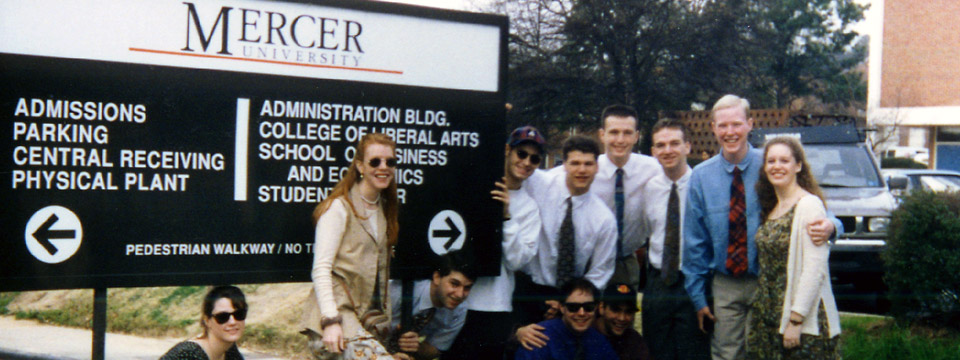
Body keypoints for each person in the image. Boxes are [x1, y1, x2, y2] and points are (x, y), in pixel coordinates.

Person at [682, 95, 842, 360]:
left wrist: (832, 226)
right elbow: (694, 242)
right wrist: (699, 298)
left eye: (736, 124)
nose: (730, 132)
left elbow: (811, 203)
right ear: (713, 128)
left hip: (767, 280)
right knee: (726, 353)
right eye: (722, 126)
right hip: (726, 284)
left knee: (767, 351)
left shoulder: (770, 164)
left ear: (750, 124)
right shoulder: (701, 177)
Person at [446, 126, 544, 360]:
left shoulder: (530, 208)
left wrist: (506, 217)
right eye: (522, 154)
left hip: (495, 307)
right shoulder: (477, 185)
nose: (527, 162)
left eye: (535, 158)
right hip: (459, 300)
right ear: (508, 151)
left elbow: (516, 261)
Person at [301, 133, 401, 359]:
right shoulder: (339, 208)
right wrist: (331, 321)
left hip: (366, 323)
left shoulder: (385, 209)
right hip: (334, 321)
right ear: (360, 166)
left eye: (390, 162)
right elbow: (321, 269)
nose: (383, 167)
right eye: (375, 161)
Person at [746, 136, 841, 359]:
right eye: (771, 161)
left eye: (784, 161)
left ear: (798, 166)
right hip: (769, 315)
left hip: (801, 320)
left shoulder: (808, 205)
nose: (776, 166)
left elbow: (814, 268)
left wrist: (796, 319)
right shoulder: (773, 207)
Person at [516, 135, 618, 326]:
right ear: (564, 165)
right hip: (527, 288)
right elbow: (512, 164)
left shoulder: (604, 218)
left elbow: (600, 272)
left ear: (597, 167)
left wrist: (567, 302)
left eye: (588, 164)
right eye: (575, 163)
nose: (581, 170)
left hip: (572, 301)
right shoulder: (539, 184)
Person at [640, 119, 710, 360]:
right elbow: (648, 231)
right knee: (657, 349)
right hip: (658, 281)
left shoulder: (702, 185)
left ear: (687, 147)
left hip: (693, 281)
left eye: (674, 143)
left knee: (694, 350)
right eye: (661, 145)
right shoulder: (648, 189)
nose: (667, 150)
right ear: (653, 151)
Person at [591, 105, 662, 289]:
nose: (620, 140)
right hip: (590, 260)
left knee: (622, 316)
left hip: (627, 259)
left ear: (636, 136)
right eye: (614, 132)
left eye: (627, 133)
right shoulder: (587, 170)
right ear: (602, 135)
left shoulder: (653, 168)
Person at [389, 251, 478, 360]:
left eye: (467, 287)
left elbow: (435, 350)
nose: (460, 294)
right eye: (454, 284)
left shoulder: (459, 310)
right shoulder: (398, 292)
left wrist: (416, 346)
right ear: (436, 277)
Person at [514, 278, 619, 360]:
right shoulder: (538, 336)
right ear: (562, 308)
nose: (581, 313)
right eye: (573, 308)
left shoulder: (598, 341)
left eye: (588, 307)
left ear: (596, 308)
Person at [160, 285, 247, 360]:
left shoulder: (230, 352)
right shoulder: (188, 353)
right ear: (207, 321)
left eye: (239, 314)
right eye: (222, 317)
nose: (232, 322)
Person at [595, 283, 652, 360]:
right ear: (601, 308)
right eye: (615, 310)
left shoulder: (633, 340)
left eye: (628, 312)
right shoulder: (586, 334)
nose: (622, 318)